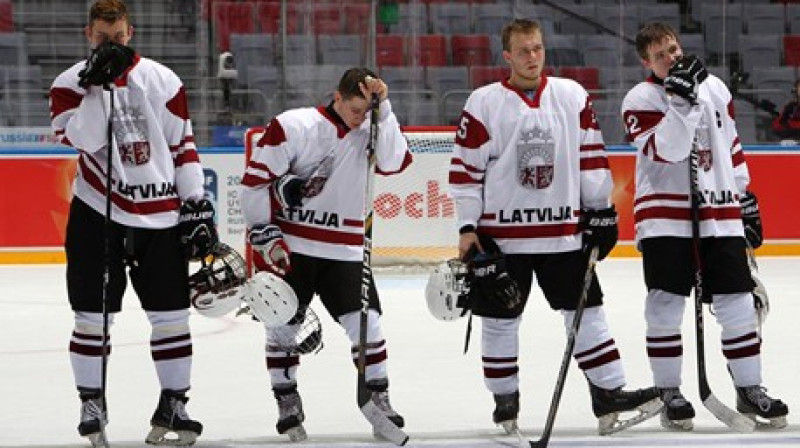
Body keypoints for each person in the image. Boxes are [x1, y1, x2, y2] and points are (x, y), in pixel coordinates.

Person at [448, 18, 661, 436]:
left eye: (538, 49)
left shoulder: (570, 95)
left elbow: (590, 157)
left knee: (589, 313)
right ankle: (505, 400)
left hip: (564, 233)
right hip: (501, 237)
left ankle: (608, 393)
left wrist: (598, 209)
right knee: (499, 320)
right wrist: (467, 227)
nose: (532, 57)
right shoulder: (483, 102)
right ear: (507, 54)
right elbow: (466, 171)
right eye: (523, 50)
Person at [49, 0, 216, 445]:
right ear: (90, 35)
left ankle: (174, 402)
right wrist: (97, 87)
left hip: (159, 216)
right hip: (97, 214)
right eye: (104, 38)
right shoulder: (69, 84)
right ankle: (91, 399)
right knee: (91, 318)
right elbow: (83, 139)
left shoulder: (162, 79)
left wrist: (195, 203)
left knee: (171, 318)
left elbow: (182, 146)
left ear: (131, 32)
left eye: (119, 37)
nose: (113, 45)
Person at [622, 22, 789, 430]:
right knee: (664, 307)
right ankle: (669, 392)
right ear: (647, 61)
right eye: (661, 55)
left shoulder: (715, 88)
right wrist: (680, 99)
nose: (672, 58)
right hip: (665, 217)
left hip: (718, 212)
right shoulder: (639, 98)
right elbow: (671, 150)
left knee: (738, 305)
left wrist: (743, 197)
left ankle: (749, 389)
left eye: (674, 49)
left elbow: (731, 146)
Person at [240, 67, 412, 442]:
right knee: (282, 327)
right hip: (294, 245)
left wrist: (384, 110)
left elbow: (395, 162)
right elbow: (254, 183)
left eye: (366, 112)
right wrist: (265, 235)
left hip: (345, 248)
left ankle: (379, 397)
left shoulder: (374, 127)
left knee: (368, 324)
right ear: (337, 97)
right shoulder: (294, 125)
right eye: (354, 109)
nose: (359, 119)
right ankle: (286, 399)